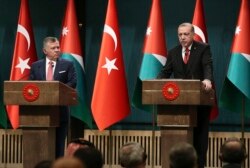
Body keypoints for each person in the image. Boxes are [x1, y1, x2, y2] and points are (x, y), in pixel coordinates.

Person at [157, 22, 213, 168]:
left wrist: (207, 79)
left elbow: (207, 66)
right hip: (178, 105)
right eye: (180, 34)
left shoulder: (203, 49)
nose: (182, 37)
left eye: (186, 34)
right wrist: (156, 83)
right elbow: (165, 72)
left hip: (199, 103)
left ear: (193, 35)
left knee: (199, 140)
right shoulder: (173, 52)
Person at [29, 37, 77, 158]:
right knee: (42, 149)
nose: (57, 50)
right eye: (53, 48)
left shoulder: (67, 65)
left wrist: (55, 90)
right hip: (40, 114)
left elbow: (73, 82)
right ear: (45, 51)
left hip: (60, 113)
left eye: (58, 47)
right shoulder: (35, 66)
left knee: (59, 148)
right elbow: (31, 85)